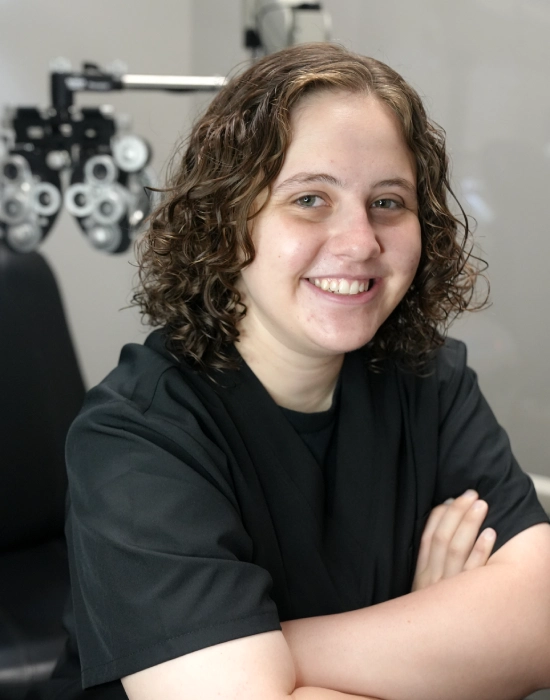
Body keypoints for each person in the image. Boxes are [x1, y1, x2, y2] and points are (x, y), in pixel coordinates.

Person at [49, 43, 550, 700]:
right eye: (311, 198)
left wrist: (272, 650)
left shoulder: (429, 380)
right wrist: (446, 644)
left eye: (389, 202)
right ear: (228, 220)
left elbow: (539, 617)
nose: (361, 242)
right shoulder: (137, 440)